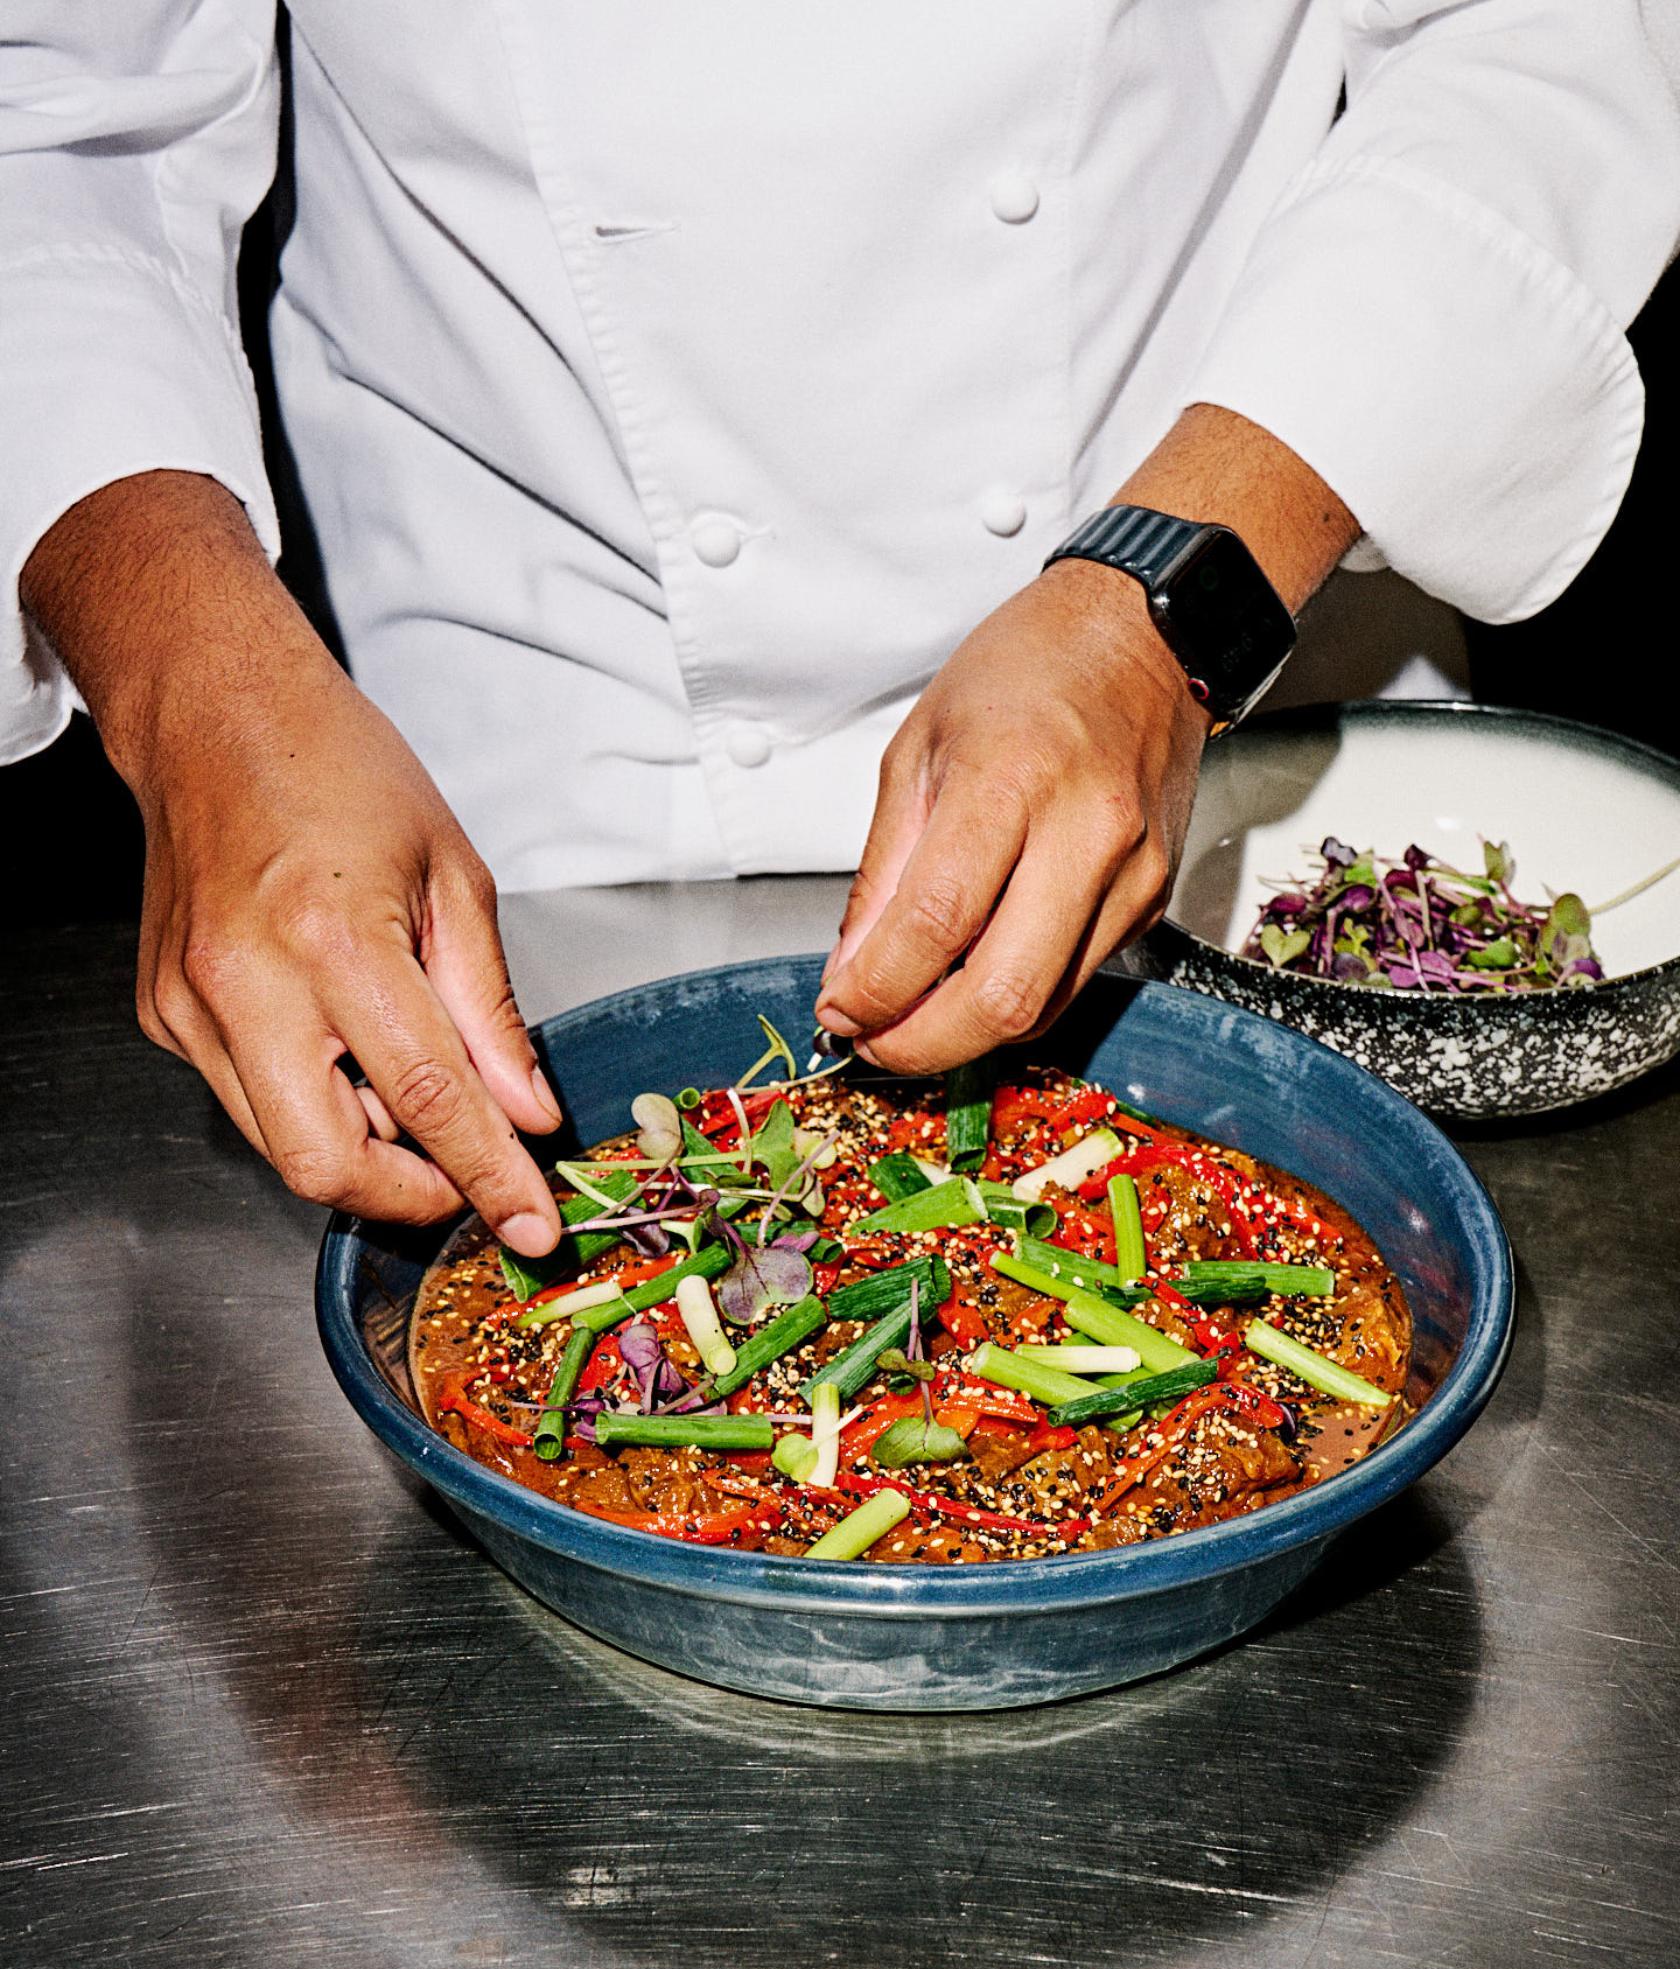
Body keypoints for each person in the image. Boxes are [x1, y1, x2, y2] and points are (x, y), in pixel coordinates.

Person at [3, 4, 1676, 1260]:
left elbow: (1552, 33)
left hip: (1250, 700)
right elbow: (54, 112)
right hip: (516, 788)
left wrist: (1180, 586)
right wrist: (195, 684)